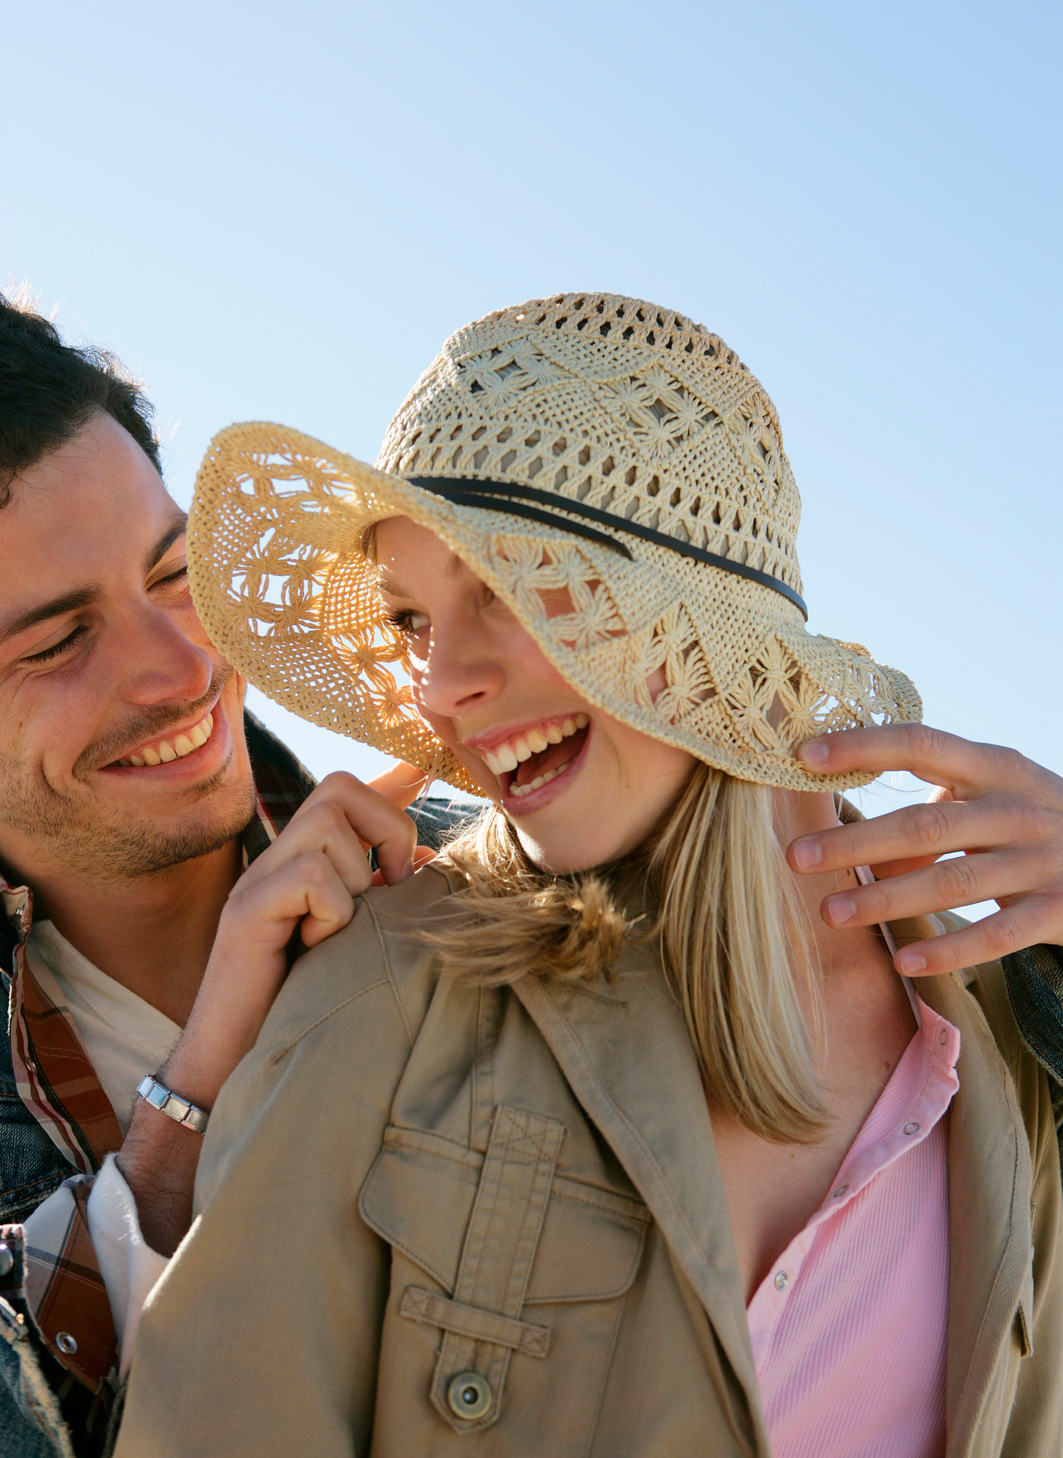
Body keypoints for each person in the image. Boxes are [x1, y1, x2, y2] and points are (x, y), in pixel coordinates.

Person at [116, 293, 1063, 1457]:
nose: (436, 687)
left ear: (700, 631)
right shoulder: (387, 984)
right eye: (414, 620)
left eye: (506, 590)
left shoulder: (1013, 1046)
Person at [0, 289, 471, 1457]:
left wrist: (1007, 944)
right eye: (58, 642)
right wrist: (194, 1101)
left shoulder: (489, 861)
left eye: (173, 574)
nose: (182, 667)